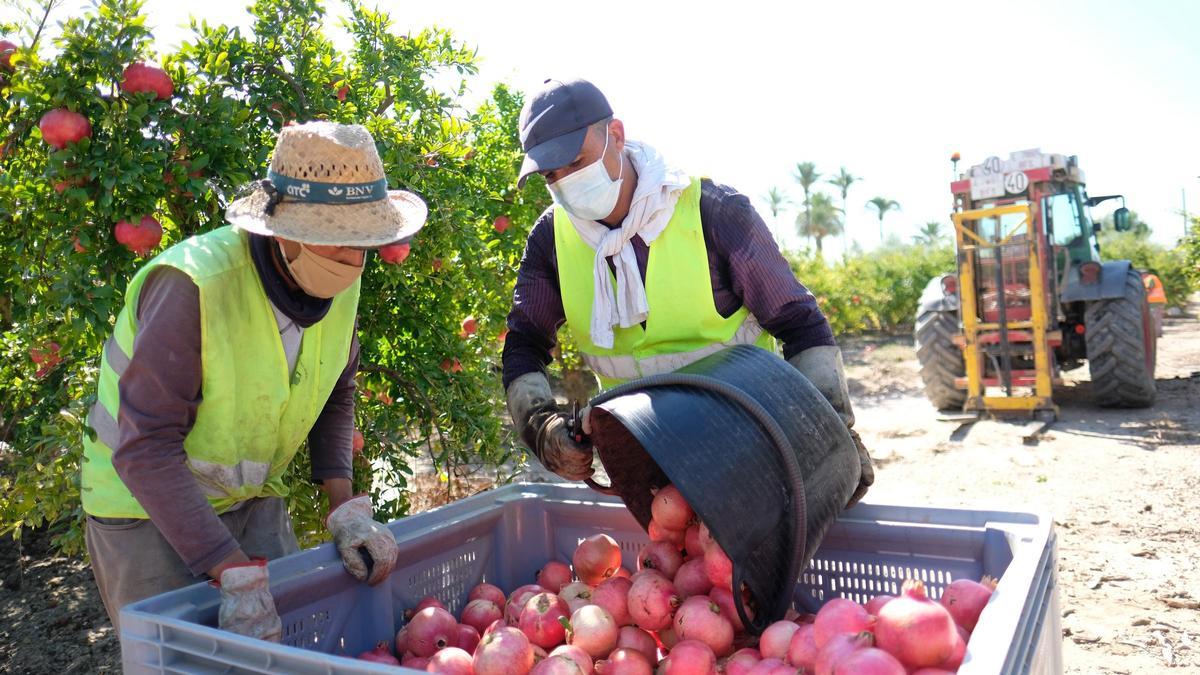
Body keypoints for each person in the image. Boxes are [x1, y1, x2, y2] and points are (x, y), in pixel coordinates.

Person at [81, 122, 427, 640]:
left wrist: (345, 508)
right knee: (182, 659)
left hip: (251, 496)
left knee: (291, 647)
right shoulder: (193, 287)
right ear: (282, 230)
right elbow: (145, 449)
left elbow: (336, 390)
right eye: (336, 242)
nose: (353, 261)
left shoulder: (343, 282)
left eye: (363, 243)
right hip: (143, 511)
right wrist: (231, 571)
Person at [501, 79, 872, 504]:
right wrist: (542, 427)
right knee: (670, 567)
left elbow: (800, 324)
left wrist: (834, 433)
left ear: (616, 136)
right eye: (552, 174)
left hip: (753, 450)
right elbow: (524, 344)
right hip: (649, 466)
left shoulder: (713, 212)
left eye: (576, 162)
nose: (566, 181)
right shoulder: (553, 239)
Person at [1142, 269, 1167, 337]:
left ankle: (1155, 334)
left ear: (1144, 274)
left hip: (1155, 301)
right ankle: (1158, 333)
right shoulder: (1152, 278)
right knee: (1157, 318)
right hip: (1158, 301)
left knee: (1154, 319)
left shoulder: (1150, 278)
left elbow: (1149, 289)